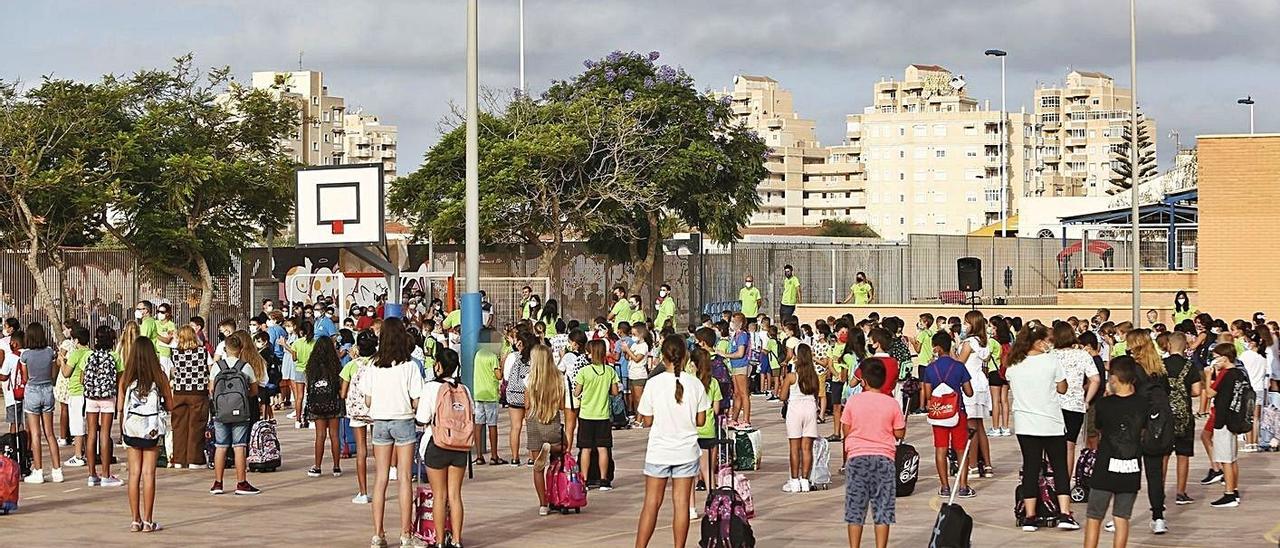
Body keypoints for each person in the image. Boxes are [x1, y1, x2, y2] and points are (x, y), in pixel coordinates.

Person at [634, 335, 709, 548]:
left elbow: (647, 420)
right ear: (685, 356)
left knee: (652, 503)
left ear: (662, 356)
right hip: (686, 450)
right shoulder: (694, 384)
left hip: (659, 449)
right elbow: (701, 420)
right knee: (682, 504)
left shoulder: (653, 383)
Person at [1005, 323, 1079, 531]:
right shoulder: (1051, 360)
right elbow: (1062, 388)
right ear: (1038, 342)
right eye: (1047, 340)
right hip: (1051, 423)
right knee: (1059, 468)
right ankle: (1064, 513)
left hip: (1025, 423)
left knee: (1030, 467)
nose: (1049, 344)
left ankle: (1030, 516)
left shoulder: (1014, 364)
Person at [359, 317, 426, 547]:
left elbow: (367, 400)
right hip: (404, 421)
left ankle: (378, 533)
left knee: (380, 479)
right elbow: (417, 400)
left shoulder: (372, 366)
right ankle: (406, 535)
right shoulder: (409, 366)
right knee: (405, 478)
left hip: (379, 423)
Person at [841, 357, 905, 548]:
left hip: (857, 458)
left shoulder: (854, 401)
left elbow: (846, 429)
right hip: (884, 459)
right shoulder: (892, 404)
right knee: (883, 508)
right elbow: (899, 432)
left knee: (856, 508)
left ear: (864, 381)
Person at [1083, 356, 1146, 548]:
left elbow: (1100, 427)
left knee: (1094, 517)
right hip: (1131, 466)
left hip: (1105, 468)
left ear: (1114, 379)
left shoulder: (1104, 405)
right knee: (1122, 518)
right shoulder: (1143, 404)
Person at [414, 348, 472, 548]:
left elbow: (421, 419)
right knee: (455, 495)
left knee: (439, 496)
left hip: (437, 445)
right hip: (460, 446)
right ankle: (456, 540)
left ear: (438, 365)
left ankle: (439, 541)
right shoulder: (464, 389)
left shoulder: (431, 388)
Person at [118, 336, 175, 532]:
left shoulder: (126, 377)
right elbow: (170, 404)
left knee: (134, 474)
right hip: (152, 430)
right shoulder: (160, 376)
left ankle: (135, 520)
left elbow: (120, 406)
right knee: (149, 474)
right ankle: (149, 521)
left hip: (132, 429)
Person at [1126, 329, 1170, 532]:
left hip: (1137, 425)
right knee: (1154, 474)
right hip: (1158, 426)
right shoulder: (1159, 369)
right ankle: (1158, 516)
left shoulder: (1134, 369)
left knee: (1128, 473)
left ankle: (1121, 516)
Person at [921, 332, 975, 498]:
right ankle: (963, 486)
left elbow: (928, 393)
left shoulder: (930, 369)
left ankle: (944, 486)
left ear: (936, 348)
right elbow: (969, 392)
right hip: (957, 411)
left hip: (939, 413)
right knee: (960, 449)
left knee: (941, 449)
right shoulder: (959, 367)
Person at [207, 333, 261, 496]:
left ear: (225, 349)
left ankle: (218, 483)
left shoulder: (217, 366)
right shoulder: (245, 367)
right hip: (240, 412)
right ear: (241, 349)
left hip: (220, 411)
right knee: (239, 446)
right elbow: (254, 391)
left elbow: (211, 389)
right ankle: (241, 483)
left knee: (220, 446)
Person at [1052, 322, 1100, 479]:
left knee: (1051, 445)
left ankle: (1052, 480)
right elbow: (1095, 379)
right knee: (1069, 445)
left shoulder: (1050, 355)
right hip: (1074, 404)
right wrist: (1086, 400)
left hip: (1052, 404)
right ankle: (1064, 484)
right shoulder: (1082, 355)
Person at [1159, 331, 1201, 506]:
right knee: (1183, 455)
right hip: (1184, 416)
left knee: (1163, 455)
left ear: (1168, 345)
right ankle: (1181, 492)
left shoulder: (1160, 365)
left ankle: (1158, 491)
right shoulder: (1190, 366)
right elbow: (1197, 391)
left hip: (1164, 416)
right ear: (1185, 346)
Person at [524, 345, 565, 515]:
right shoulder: (558, 378)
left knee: (537, 468)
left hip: (534, 422)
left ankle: (543, 504)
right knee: (560, 457)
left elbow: (527, 405)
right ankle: (557, 496)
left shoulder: (529, 379)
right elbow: (562, 405)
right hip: (552, 420)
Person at [80, 325, 124, 486]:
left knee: (91, 434)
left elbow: (81, 379)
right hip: (108, 398)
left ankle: (92, 474)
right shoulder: (115, 357)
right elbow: (120, 380)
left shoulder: (88, 356)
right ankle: (106, 474)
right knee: (105, 434)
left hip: (91, 398)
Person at [1206, 343, 1247, 508]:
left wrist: (1208, 375)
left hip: (1223, 419)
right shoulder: (1239, 373)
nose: (1214, 361)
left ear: (1224, 358)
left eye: (1216, 357)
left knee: (1225, 459)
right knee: (1232, 457)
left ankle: (1229, 494)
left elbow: (1210, 393)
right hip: (1234, 419)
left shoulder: (1225, 374)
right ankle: (1234, 489)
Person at [21, 322, 63, 484]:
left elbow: (25, 378)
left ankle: (38, 471)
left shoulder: (25, 355)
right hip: (47, 390)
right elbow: (53, 373)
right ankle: (57, 470)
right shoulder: (49, 352)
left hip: (32, 391)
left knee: (36, 434)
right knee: (50, 433)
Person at [575, 339, 619, 490]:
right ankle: (604, 480)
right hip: (603, 415)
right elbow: (614, 392)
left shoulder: (584, 371)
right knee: (603, 448)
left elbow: (577, 392)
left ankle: (585, 480)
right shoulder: (610, 371)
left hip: (586, 414)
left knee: (585, 448)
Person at [954, 311, 993, 478]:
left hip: (970, 384)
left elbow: (958, 363)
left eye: (966, 323)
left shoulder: (969, 342)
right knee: (980, 426)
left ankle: (973, 466)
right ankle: (988, 465)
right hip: (981, 384)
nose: (964, 326)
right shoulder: (984, 342)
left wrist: (955, 347)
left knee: (971, 427)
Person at [340, 329, 377, 503]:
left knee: (361, 449)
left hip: (357, 411)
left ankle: (362, 492)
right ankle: (383, 482)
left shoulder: (351, 365)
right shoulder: (379, 363)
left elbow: (343, 392)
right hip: (377, 409)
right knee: (379, 447)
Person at [168, 326, 212, 469]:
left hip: (180, 392)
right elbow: (211, 370)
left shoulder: (174, 353)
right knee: (197, 425)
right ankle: (195, 459)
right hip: (198, 392)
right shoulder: (203, 352)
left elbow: (172, 371)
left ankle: (179, 459)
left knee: (179, 426)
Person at [780, 344, 820, 493]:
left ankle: (794, 481)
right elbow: (816, 394)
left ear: (797, 357)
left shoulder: (791, 376)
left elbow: (783, 396)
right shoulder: (813, 376)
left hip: (795, 409)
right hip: (810, 408)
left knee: (794, 448)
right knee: (807, 448)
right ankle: (805, 481)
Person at [305, 336, 345, 478]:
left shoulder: (312, 367)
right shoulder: (336, 365)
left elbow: (309, 387)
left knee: (320, 435)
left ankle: (317, 466)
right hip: (333, 403)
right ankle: (336, 467)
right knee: (334, 435)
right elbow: (340, 384)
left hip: (317, 404)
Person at [689, 346, 722, 512]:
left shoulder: (689, 381)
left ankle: (691, 508)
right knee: (708, 470)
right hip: (708, 429)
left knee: (689, 472)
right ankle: (713, 505)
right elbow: (716, 410)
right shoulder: (714, 382)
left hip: (691, 429)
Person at [59, 325, 92, 469]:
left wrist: (62, 361)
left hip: (76, 392)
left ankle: (78, 455)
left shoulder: (76, 354)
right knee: (86, 425)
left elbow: (66, 373)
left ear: (77, 340)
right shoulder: (91, 353)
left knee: (78, 425)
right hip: (88, 393)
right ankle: (85, 452)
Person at [470, 338, 504, 465]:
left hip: (478, 393)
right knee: (492, 425)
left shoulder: (478, 355)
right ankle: (494, 456)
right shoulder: (493, 356)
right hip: (490, 394)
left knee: (478, 425)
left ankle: (479, 456)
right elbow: (498, 375)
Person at [505, 332, 535, 466]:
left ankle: (515, 458)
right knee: (531, 427)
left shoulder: (513, 356)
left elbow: (506, 376)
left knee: (515, 427)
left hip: (513, 394)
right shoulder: (535, 358)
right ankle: (531, 458)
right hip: (530, 394)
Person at [717, 313, 751, 428]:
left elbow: (740, 353)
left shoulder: (742, 335)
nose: (731, 323)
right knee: (736, 394)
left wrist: (726, 354)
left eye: (734, 321)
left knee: (744, 393)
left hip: (741, 366)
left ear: (740, 323)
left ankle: (746, 419)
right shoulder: (735, 335)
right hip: (735, 366)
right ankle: (734, 418)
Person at [281, 320, 316, 429]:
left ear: (301, 331)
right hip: (311, 370)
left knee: (299, 396)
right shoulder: (314, 343)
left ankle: (298, 420)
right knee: (311, 395)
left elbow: (294, 358)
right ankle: (311, 419)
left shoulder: (297, 343)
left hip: (299, 370)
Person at [625, 324, 654, 428]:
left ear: (641, 334)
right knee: (634, 398)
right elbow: (628, 357)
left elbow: (637, 359)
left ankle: (640, 419)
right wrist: (627, 349)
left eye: (634, 334)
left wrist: (628, 351)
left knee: (639, 399)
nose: (633, 336)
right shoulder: (634, 345)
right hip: (631, 374)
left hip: (639, 375)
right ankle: (638, 418)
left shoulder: (644, 345)